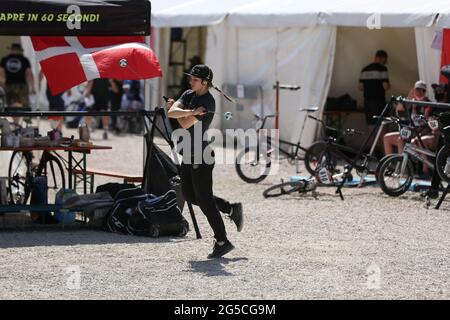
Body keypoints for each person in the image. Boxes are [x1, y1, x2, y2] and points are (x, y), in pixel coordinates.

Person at [165, 64, 243, 259]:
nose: (190, 81)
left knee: (205, 200)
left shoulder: (208, 103)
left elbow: (182, 122)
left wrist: (181, 111)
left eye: (194, 79)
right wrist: (188, 111)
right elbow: (171, 112)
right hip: (188, 153)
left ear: (205, 82)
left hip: (202, 155)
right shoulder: (189, 93)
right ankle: (230, 208)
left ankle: (222, 241)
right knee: (191, 196)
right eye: (190, 78)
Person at [359, 50, 391, 154]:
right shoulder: (382, 69)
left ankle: (371, 153)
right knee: (383, 126)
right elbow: (386, 87)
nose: (385, 62)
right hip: (379, 101)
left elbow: (360, 87)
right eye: (385, 60)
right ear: (382, 58)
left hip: (367, 102)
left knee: (371, 128)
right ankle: (384, 153)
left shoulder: (364, 69)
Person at [0, 43, 35, 107]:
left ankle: (11, 116)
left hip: (9, 84)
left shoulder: (5, 59)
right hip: (21, 85)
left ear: (11, 50)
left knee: (9, 105)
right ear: (19, 50)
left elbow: (1, 74)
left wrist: (3, 84)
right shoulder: (24, 60)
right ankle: (25, 117)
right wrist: (31, 87)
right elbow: (29, 74)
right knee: (24, 105)